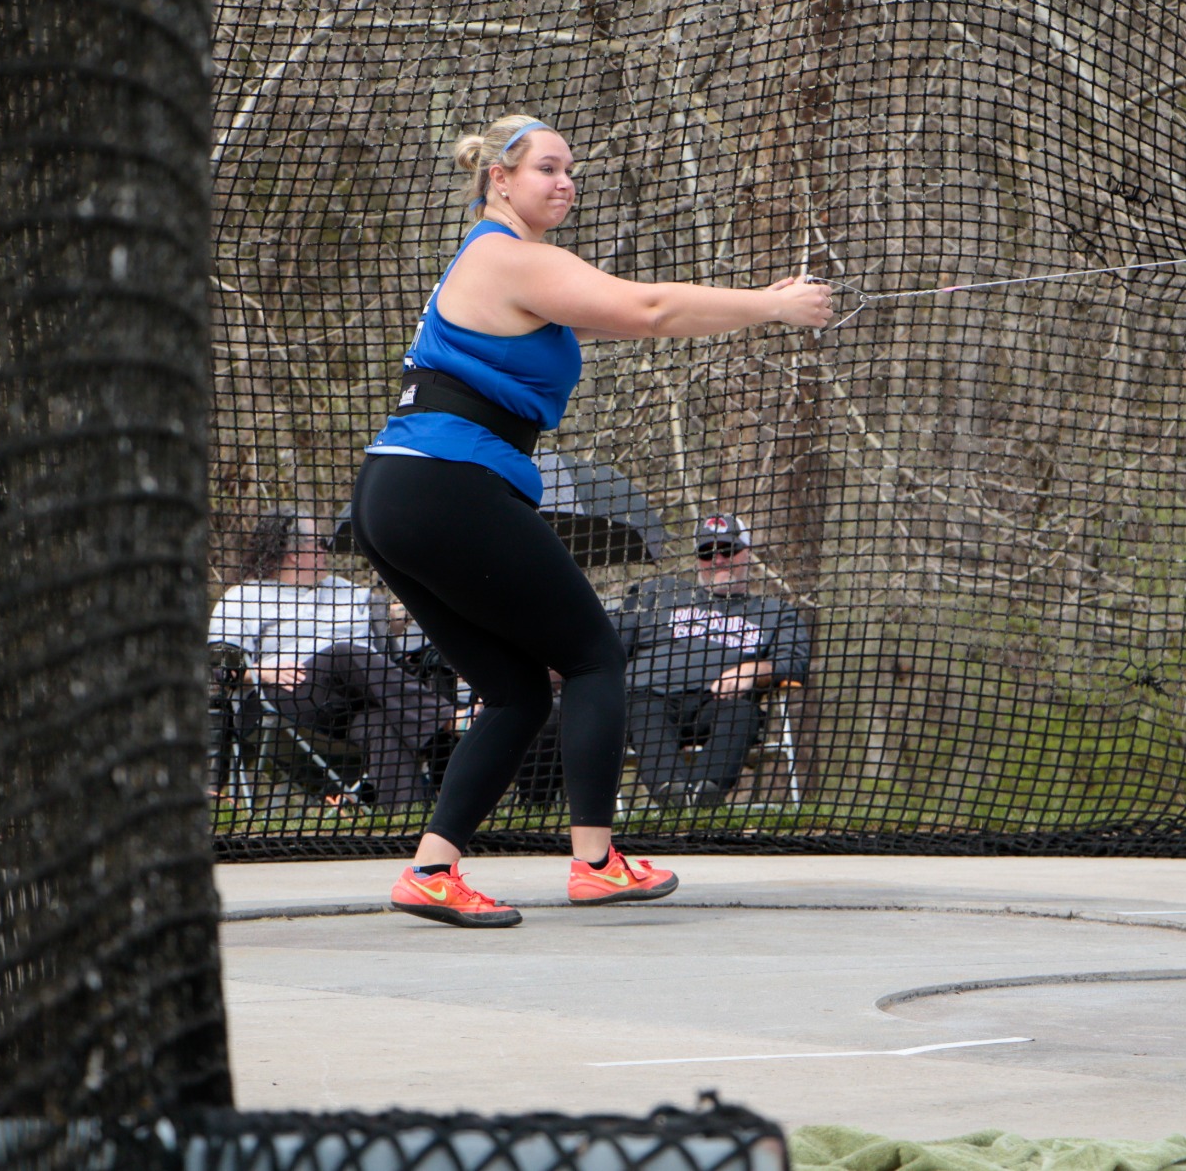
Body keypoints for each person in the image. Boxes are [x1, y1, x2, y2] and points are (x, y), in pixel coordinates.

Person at [348, 112, 833, 927]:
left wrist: (757, 308)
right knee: (595, 655)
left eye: (571, 169)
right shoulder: (509, 256)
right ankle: (597, 862)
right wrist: (772, 305)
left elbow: (649, 314)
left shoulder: (506, 268)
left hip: (398, 493)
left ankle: (431, 870)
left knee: (515, 693)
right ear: (499, 179)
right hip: (444, 485)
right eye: (547, 167)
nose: (566, 182)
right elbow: (650, 306)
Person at [207, 512, 460, 806]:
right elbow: (221, 667)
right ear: (294, 553)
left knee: (379, 723)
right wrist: (262, 671)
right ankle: (449, 719)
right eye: (320, 543)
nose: (327, 549)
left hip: (354, 704)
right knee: (342, 653)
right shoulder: (244, 598)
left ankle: (407, 816)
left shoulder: (344, 590)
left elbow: (387, 619)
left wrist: (423, 602)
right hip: (289, 697)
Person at [617, 512, 812, 808]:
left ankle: (703, 796)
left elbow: (795, 663)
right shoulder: (657, 594)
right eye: (707, 553)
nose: (718, 560)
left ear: (747, 553)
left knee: (742, 714)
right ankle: (674, 794)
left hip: (720, 703)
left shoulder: (775, 612)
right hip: (648, 699)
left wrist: (753, 670)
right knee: (641, 710)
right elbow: (608, 645)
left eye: (728, 550)